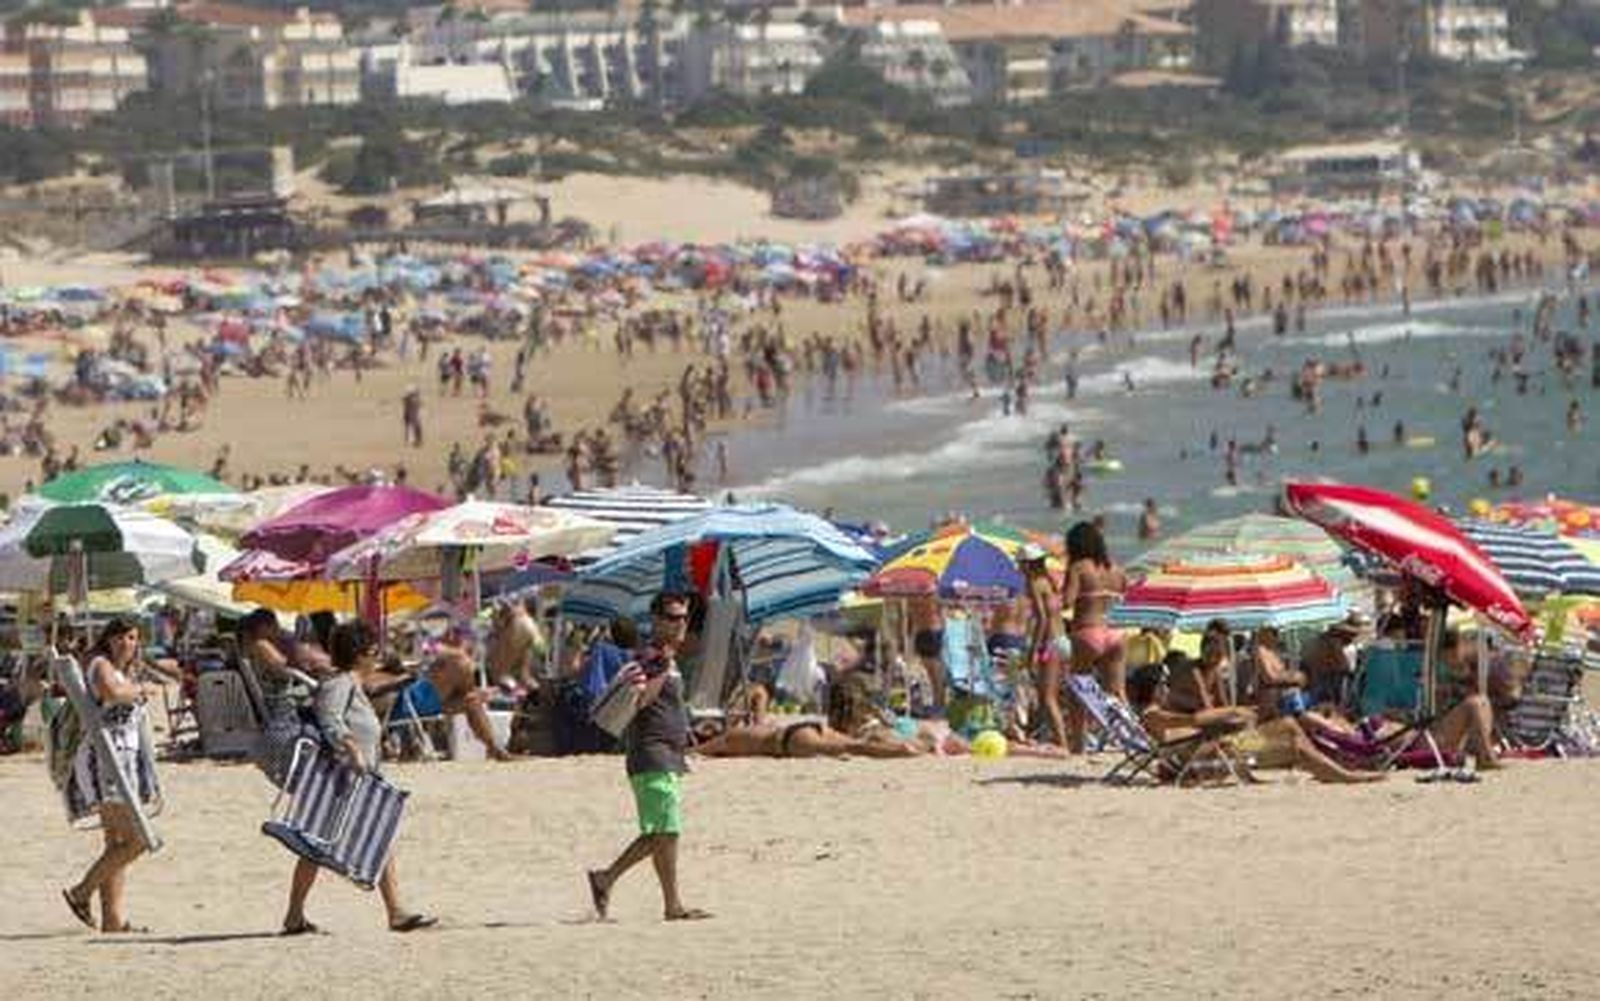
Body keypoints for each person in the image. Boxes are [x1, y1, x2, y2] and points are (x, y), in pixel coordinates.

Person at [281, 620, 436, 936]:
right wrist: (350, 746)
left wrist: (404, 679)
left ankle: (395, 912)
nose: (377, 656)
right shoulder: (339, 683)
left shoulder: (351, 681)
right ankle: (295, 915)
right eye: (373, 651)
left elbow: (371, 691)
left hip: (358, 775)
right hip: (341, 778)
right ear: (362, 653)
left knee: (378, 837)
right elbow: (330, 718)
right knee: (315, 846)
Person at [587, 592, 710, 922]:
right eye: (672, 617)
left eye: (683, 617)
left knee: (662, 831)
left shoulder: (664, 658)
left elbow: (664, 706)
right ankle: (621, 883)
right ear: (655, 620)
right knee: (665, 831)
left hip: (666, 754)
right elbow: (642, 701)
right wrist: (663, 666)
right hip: (651, 754)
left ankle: (617, 883)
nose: (680, 623)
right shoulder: (653, 657)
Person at [61, 618, 165, 933]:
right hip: (102, 762)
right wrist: (140, 690)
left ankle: (112, 919)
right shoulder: (100, 664)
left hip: (124, 763)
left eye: (132, 637)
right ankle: (81, 892)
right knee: (139, 839)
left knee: (116, 843)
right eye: (120, 636)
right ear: (108, 640)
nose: (126, 643)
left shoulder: (127, 671)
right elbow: (112, 691)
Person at [1128, 662, 1382, 784]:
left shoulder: (1156, 712)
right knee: (1290, 732)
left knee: (1289, 727)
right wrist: (1234, 709)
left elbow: (1194, 725)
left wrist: (1236, 715)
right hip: (1208, 760)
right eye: (1164, 684)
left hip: (1216, 751)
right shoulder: (1153, 715)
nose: (1168, 688)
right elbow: (1194, 719)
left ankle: (1336, 772)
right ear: (1154, 688)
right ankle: (1342, 774)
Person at [1061, 520, 1127, 751]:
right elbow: (1126, 600)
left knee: (1080, 691)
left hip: (1088, 632)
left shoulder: (1079, 568)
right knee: (1117, 693)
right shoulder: (1117, 569)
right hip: (1116, 633)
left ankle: (1078, 744)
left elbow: (1067, 601)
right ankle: (1124, 739)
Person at [1020, 545, 1067, 747]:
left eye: (1020, 564)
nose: (1018, 568)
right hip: (1064, 641)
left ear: (1027, 565)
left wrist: (1034, 651)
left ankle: (1062, 743)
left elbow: (1041, 619)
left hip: (1051, 644)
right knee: (1049, 695)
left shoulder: (1033, 583)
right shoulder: (1050, 581)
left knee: (1047, 698)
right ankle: (1042, 735)